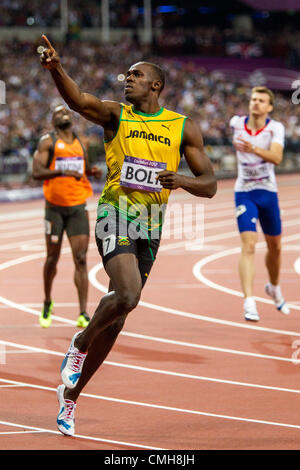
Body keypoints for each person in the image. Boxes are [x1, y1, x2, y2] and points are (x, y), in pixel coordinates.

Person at [39, 34, 217, 436]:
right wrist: (57, 70)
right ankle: (79, 344)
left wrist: (182, 180)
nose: (127, 80)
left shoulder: (182, 127)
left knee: (119, 315)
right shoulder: (116, 115)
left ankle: (70, 398)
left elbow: (210, 184)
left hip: (150, 226)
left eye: (135, 76)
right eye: (126, 76)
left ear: (156, 85)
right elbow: (79, 101)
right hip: (114, 214)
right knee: (129, 295)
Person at [32, 105, 102, 329]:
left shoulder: (82, 142)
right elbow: (37, 172)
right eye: (58, 113)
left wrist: (92, 172)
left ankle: (82, 312)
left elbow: (84, 168)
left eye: (67, 113)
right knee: (52, 258)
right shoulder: (47, 142)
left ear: (72, 119)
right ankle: (46, 302)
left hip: (77, 207)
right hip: (54, 209)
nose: (64, 114)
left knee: (80, 259)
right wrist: (62, 172)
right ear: (53, 121)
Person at [230, 86, 290, 322]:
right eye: (253, 99)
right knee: (250, 245)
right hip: (244, 193)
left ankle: (274, 287)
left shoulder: (276, 128)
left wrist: (253, 147)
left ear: (269, 107)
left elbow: (276, 158)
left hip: (268, 192)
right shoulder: (236, 123)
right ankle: (249, 301)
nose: (255, 103)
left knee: (275, 247)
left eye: (261, 100)